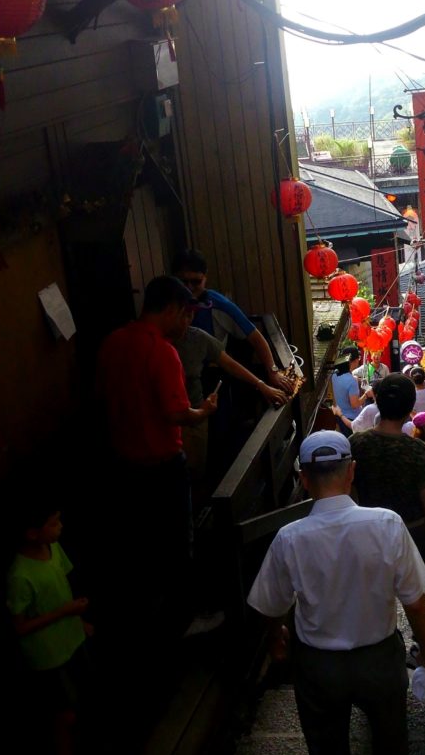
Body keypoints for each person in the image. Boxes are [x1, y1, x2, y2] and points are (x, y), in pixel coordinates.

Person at [248, 431, 425, 755]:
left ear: (303, 478)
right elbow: (416, 603)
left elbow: (271, 604)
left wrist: (276, 637)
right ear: (352, 471)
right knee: (391, 748)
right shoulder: (386, 523)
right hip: (380, 659)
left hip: (319, 666)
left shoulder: (289, 538)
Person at [95, 276, 217, 627]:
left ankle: (143, 618)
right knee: (177, 543)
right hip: (162, 464)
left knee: (139, 543)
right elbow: (177, 414)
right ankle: (183, 621)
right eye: (186, 314)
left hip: (121, 463)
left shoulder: (112, 343)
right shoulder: (162, 352)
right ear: (171, 309)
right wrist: (204, 411)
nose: (187, 323)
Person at [351, 374, 425, 658]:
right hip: (413, 535)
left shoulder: (356, 444)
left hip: (367, 534)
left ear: (378, 403)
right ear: (410, 408)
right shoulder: (416, 450)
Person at [6, 496, 91, 755]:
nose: (60, 527)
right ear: (32, 533)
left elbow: (62, 586)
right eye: (53, 523)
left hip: (72, 640)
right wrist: (66, 612)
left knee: (80, 706)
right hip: (48, 656)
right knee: (64, 718)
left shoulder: (53, 549)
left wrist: (78, 622)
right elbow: (19, 627)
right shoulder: (19, 575)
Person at [172, 310, 288, 489]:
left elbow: (229, 363)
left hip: (196, 418)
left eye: (190, 315)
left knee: (195, 475)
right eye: (183, 315)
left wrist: (261, 384)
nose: (187, 320)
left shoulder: (197, 337)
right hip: (173, 421)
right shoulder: (159, 346)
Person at [172, 248, 293, 395]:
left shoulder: (218, 305)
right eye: (183, 282)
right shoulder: (166, 305)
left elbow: (255, 337)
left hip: (210, 377)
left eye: (196, 281)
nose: (189, 288)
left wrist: (273, 372)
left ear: (205, 277)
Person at [331, 347, 366, 435]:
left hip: (339, 415)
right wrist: (366, 394)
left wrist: (356, 379)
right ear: (355, 361)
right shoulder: (352, 381)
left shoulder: (334, 374)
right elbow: (355, 404)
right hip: (351, 420)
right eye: (358, 359)